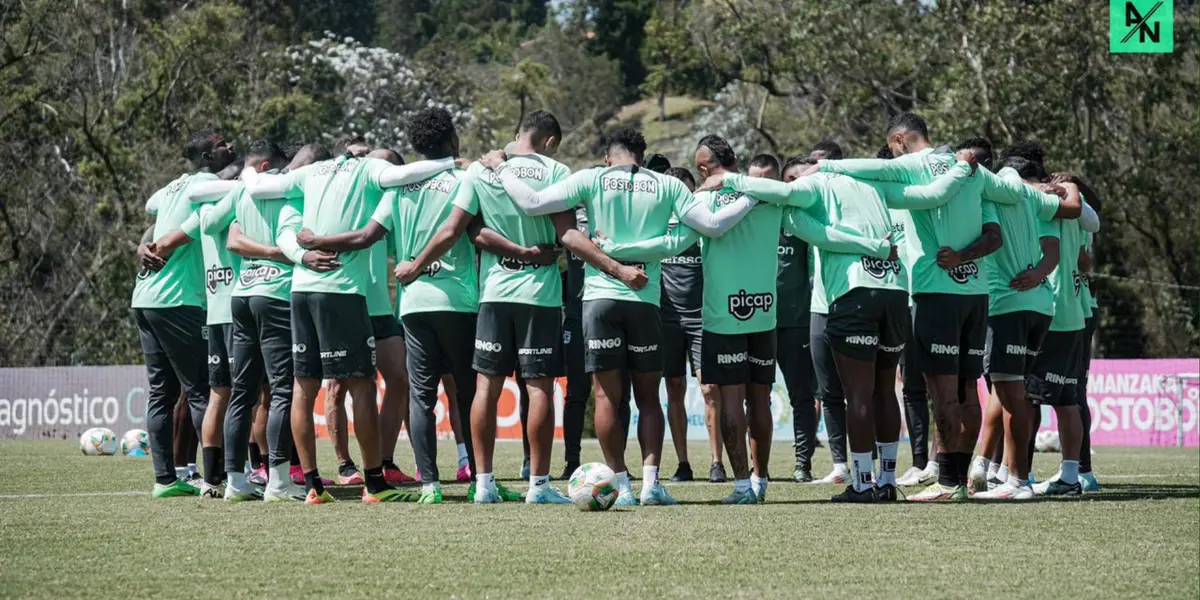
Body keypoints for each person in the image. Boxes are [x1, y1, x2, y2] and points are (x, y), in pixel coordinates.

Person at [481, 127, 758, 506]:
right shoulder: (666, 185)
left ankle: (622, 487)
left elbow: (531, 202)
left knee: (607, 397)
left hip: (599, 299)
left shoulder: (591, 178)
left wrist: (501, 165)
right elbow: (709, 227)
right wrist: (752, 194)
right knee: (648, 398)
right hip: (644, 297)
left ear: (609, 157)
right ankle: (650, 485)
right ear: (642, 158)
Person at [701, 148, 975, 502]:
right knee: (883, 390)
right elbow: (931, 195)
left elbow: (787, 199)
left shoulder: (811, 186)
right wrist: (962, 167)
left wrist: (730, 179)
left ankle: (862, 484)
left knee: (857, 394)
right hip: (894, 290)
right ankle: (887, 481)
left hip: (855, 291)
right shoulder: (869, 183)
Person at [815, 112, 1048, 501]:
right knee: (968, 392)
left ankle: (947, 482)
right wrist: (1043, 194)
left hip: (935, 293)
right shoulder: (972, 172)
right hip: (976, 295)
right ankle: (956, 480)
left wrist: (824, 166)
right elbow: (998, 227)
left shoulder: (912, 165)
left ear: (900, 140)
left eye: (892, 147)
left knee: (941, 394)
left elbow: (861, 170)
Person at [247, 133, 456, 504]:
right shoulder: (368, 170)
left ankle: (312, 486)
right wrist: (451, 162)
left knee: (303, 385)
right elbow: (402, 179)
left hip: (300, 291)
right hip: (342, 292)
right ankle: (374, 483)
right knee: (360, 384)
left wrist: (248, 174)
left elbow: (264, 187)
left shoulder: (310, 175)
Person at [407, 110, 574, 504]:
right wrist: (537, 252)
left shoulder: (478, 173)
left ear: (518, 135)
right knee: (539, 389)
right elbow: (567, 232)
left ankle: (482, 484)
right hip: (539, 295)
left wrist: (415, 266)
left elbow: (461, 231)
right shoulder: (558, 170)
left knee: (485, 387)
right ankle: (539, 486)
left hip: (494, 293)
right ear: (549, 141)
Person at [967, 145, 1090, 500]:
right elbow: (1072, 208)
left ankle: (1016, 480)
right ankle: (1004, 473)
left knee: (1011, 396)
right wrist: (1047, 188)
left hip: (1008, 304)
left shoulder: (990, 195)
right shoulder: (1029, 197)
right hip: (1040, 306)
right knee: (1015, 394)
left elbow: (990, 234)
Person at [131, 130, 235, 498]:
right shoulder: (207, 185)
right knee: (202, 391)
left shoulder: (174, 187)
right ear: (208, 157)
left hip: (145, 298)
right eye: (223, 144)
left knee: (161, 393)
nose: (231, 147)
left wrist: (146, 244)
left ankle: (165, 481)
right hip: (178, 301)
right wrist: (159, 244)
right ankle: (216, 478)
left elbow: (150, 207)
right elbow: (193, 227)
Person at [322, 147, 419, 487]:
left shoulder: (390, 205)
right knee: (337, 386)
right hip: (347, 300)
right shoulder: (346, 194)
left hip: (379, 308)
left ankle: (385, 462)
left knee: (399, 378)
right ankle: (346, 466)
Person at [657, 165, 725, 483]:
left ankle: (716, 463)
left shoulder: (703, 225)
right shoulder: (655, 225)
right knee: (674, 389)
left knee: (710, 388)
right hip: (667, 320)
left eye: (683, 188)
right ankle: (683, 464)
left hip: (701, 318)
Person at [762, 155, 818, 483]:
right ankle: (759, 465)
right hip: (757, 320)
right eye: (791, 179)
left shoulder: (808, 221)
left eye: (802, 178)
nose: (796, 185)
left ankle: (803, 464)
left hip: (797, 322)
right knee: (755, 396)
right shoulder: (757, 217)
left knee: (802, 396)